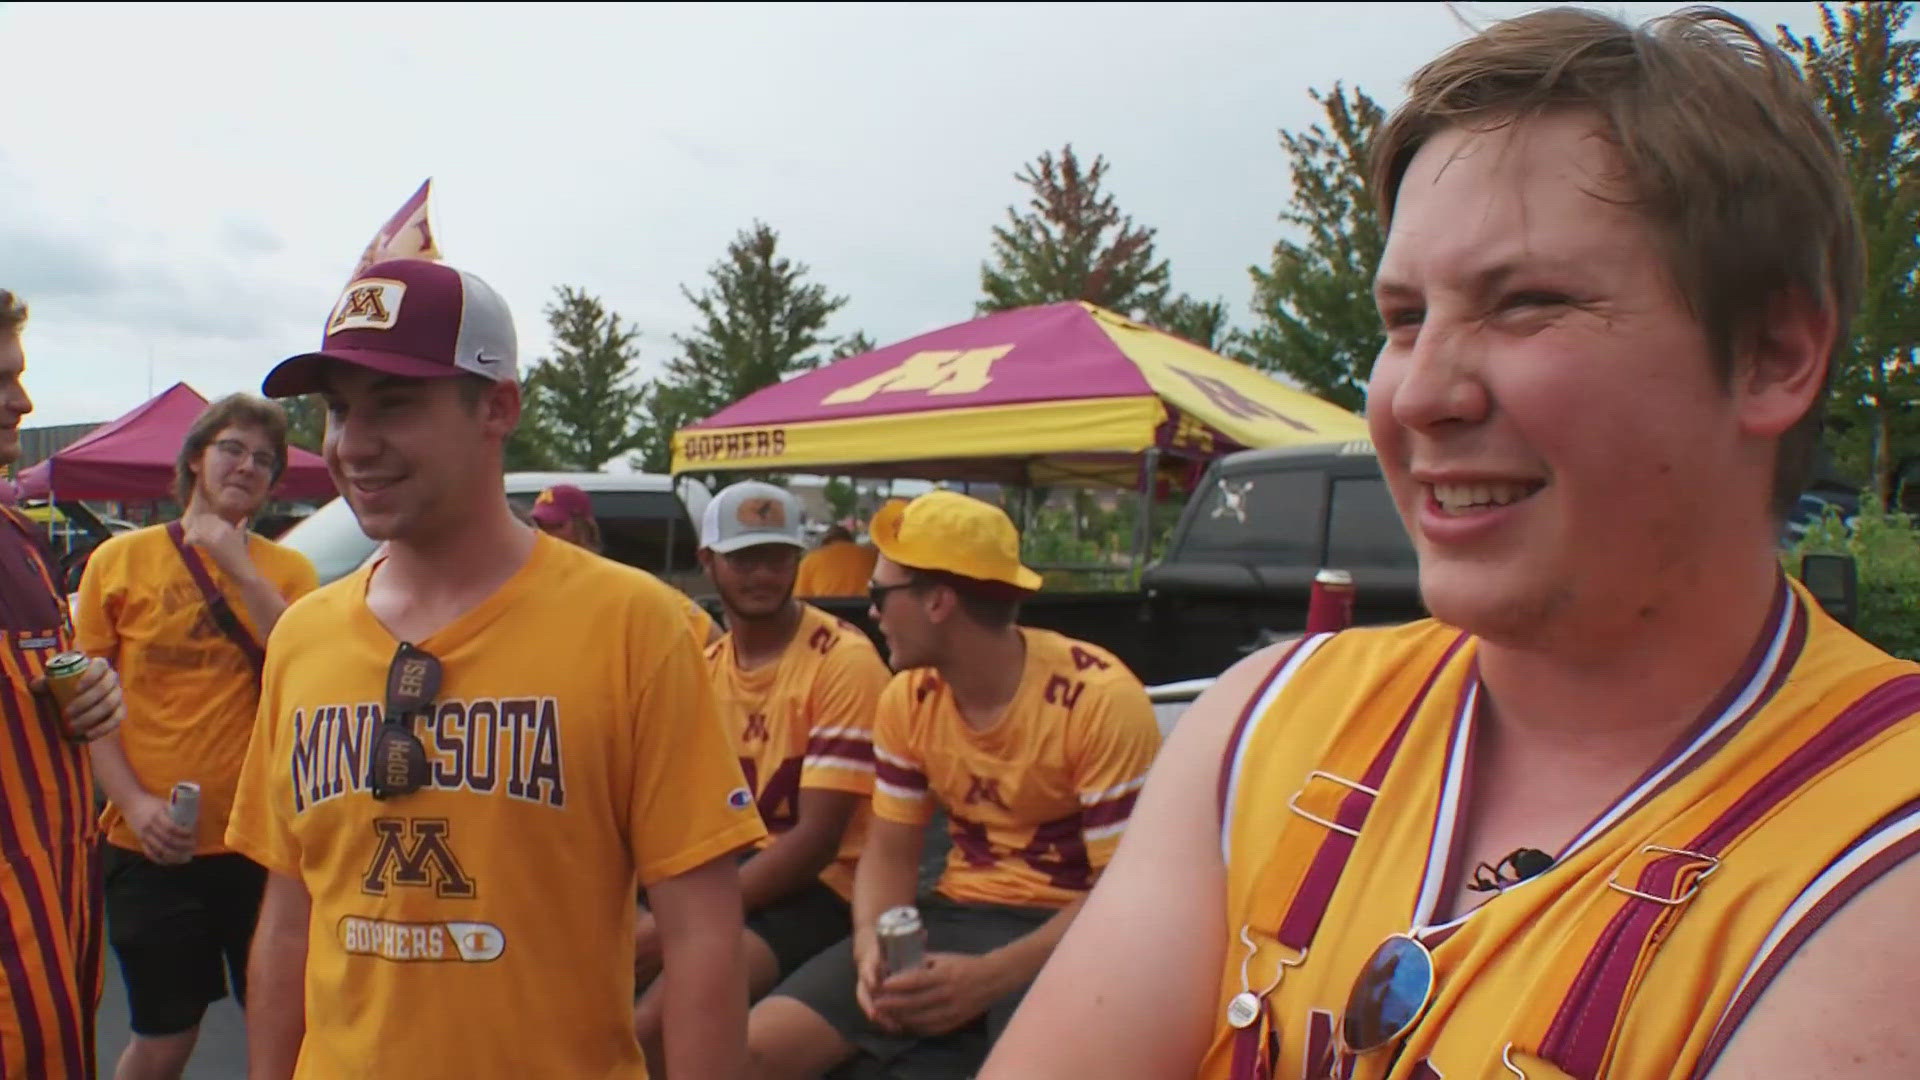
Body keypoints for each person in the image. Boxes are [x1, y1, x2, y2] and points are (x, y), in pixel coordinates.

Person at [980, 8, 1920, 1079]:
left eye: (1526, 304)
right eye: (1404, 318)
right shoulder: (1263, 725)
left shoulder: (1880, 851)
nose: (1418, 393)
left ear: (1771, 356)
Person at [226, 257, 767, 1079]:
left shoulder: (636, 627)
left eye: (394, 405)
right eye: (339, 410)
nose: (352, 444)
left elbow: (701, 937)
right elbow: (289, 919)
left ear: (499, 407)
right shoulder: (303, 639)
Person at [747, 490, 1162, 1079]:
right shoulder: (908, 697)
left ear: (938, 601)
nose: (873, 613)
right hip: (955, 914)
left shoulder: (1099, 701)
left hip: (1070, 937)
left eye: (880, 594)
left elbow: (1124, 897)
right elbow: (889, 854)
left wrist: (992, 977)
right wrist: (872, 948)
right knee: (747, 1053)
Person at [76, 393, 318, 1080]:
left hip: (260, 848)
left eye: (264, 460)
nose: (248, 465)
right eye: (232, 449)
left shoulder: (288, 573)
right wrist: (136, 803)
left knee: (283, 1029)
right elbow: (89, 707)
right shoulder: (117, 564)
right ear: (194, 459)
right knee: (163, 1035)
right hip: (148, 845)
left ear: (273, 484)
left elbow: (303, 668)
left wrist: (237, 565)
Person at [632, 480, 891, 1069]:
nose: (762, 575)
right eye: (744, 558)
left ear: (798, 560)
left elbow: (815, 841)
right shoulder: (705, 668)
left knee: (656, 1023)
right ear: (709, 562)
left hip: (820, 888)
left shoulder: (842, 662)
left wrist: (677, 922)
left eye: (776, 558)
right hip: (726, 872)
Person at [0, 288, 128, 1079]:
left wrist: (87, 700)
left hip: (58, 923)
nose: (24, 399)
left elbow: (58, 689)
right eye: (2, 378)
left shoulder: (19, 540)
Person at [531, 480, 722, 646]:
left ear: (584, 529)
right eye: (540, 527)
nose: (546, 536)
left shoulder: (616, 584)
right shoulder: (530, 586)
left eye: (557, 526)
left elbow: (710, 636)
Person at [794, 523, 878, 599]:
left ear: (824, 542)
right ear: (850, 541)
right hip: (864, 610)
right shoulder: (871, 556)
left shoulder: (810, 560)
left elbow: (800, 598)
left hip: (825, 612)